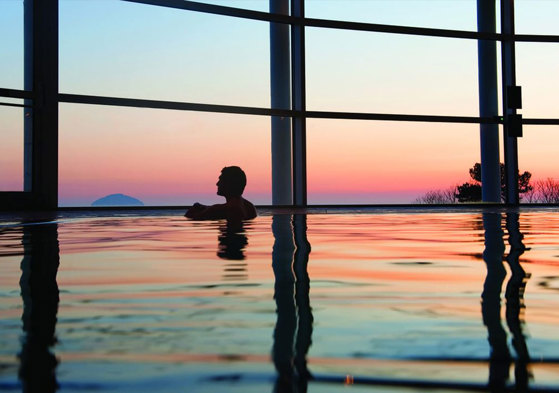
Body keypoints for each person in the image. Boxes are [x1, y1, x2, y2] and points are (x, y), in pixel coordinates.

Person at [185, 166, 257, 220]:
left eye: (221, 180)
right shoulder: (250, 206)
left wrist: (195, 207)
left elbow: (190, 217)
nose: (217, 184)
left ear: (228, 183)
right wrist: (206, 207)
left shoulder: (224, 209)